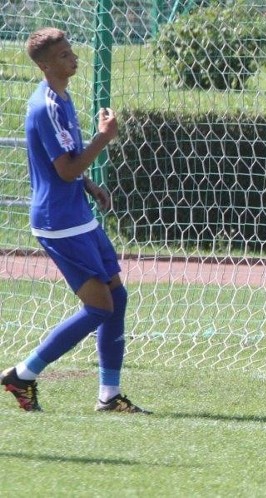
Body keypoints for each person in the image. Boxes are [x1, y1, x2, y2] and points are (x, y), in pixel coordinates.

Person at [1, 28, 149, 414]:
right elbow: (63, 170)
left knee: (117, 297)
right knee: (100, 307)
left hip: (77, 214)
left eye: (72, 52)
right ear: (46, 64)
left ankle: (109, 395)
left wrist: (89, 184)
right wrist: (104, 139)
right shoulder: (45, 106)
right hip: (59, 222)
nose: (74, 58)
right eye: (65, 55)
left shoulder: (63, 99)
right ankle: (24, 373)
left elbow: (68, 166)